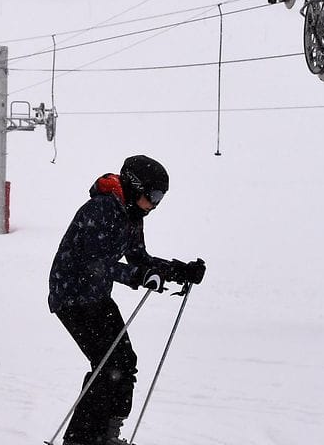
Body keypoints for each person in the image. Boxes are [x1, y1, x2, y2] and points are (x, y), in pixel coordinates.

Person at [48, 155, 205, 445]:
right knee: (108, 364)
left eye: (161, 198)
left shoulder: (131, 215)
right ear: (135, 186)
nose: (155, 204)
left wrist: (178, 271)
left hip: (95, 295)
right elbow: (95, 262)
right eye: (153, 195)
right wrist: (138, 277)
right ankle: (82, 439)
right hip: (71, 295)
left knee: (123, 362)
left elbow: (139, 258)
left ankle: (107, 434)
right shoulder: (102, 209)